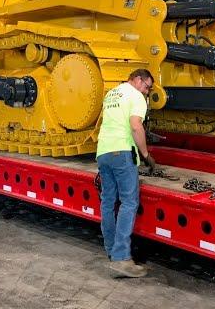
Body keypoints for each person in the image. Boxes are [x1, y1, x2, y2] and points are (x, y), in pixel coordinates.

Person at [96, 68, 157, 278]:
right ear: (138, 80)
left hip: (103, 151)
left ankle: (112, 251)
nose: (147, 92)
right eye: (147, 87)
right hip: (122, 152)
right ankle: (121, 257)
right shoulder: (135, 96)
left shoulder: (112, 93)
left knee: (107, 201)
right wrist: (146, 154)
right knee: (129, 202)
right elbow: (135, 126)